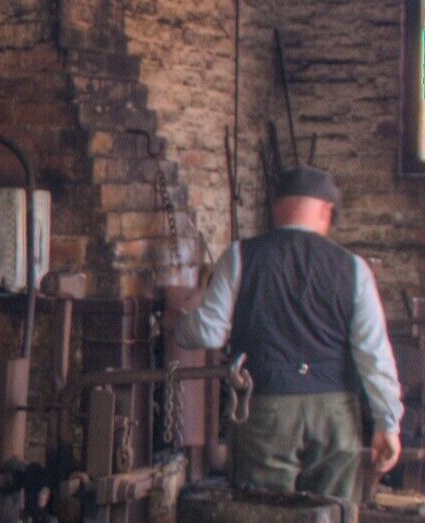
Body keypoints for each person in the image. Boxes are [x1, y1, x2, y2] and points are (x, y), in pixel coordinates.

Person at [172, 165, 403, 497]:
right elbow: (374, 355)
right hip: (334, 412)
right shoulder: (354, 268)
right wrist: (388, 424)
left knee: (264, 520)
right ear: (326, 211)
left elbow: (208, 332)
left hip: (266, 405)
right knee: (332, 520)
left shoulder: (241, 256)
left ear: (277, 208)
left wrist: (177, 328)